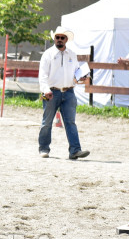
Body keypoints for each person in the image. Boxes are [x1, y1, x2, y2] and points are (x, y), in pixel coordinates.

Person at [38, 26, 90, 160]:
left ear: (66, 39)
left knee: (70, 122)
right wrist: (45, 90)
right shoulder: (48, 54)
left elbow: (77, 72)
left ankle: (75, 150)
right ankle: (43, 148)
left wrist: (81, 77)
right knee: (47, 122)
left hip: (69, 92)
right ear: (54, 39)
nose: (59, 40)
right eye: (57, 37)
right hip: (52, 92)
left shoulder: (72, 54)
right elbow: (42, 75)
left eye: (62, 38)